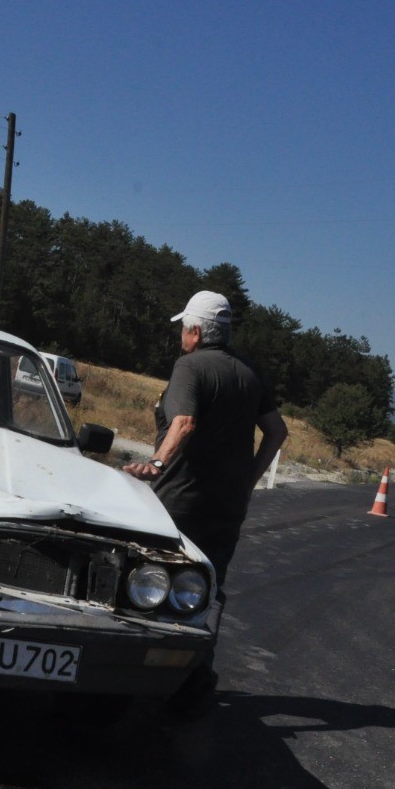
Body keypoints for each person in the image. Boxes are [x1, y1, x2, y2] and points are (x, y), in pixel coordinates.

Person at [123, 290, 288, 715]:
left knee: (149, 581)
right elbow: (277, 431)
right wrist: (248, 481)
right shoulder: (249, 373)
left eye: (184, 327)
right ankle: (195, 680)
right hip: (228, 507)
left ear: (195, 331)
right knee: (210, 591)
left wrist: (155, 463)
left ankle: (134, 675)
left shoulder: (190, 366)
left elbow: (185, 421)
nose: (181, 334)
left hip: (179, 502)